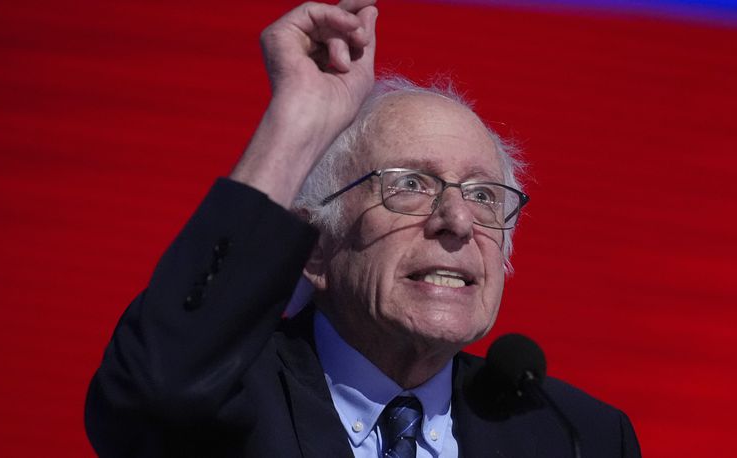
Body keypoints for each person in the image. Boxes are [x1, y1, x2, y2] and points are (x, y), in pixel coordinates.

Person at [85, 1, 641, 457]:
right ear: (316, 249)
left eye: (482, 195)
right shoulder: (231, 395)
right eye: (410, 185)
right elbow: (149, 392)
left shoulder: (576, 436)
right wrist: (296, 122)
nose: (458, 220)